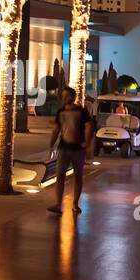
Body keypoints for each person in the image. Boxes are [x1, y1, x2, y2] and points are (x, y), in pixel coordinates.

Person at [47, 85, 96, 215]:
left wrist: (87, 143)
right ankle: (58, 204)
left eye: (66, 95)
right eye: (63, 96)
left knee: (78, 176)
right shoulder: (61, 111)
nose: (64, 98)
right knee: (60, 175)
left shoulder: (82, 111)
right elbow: (56, 129)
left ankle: (75, 204)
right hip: (63, 147)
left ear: (73, 97)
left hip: (78, 148)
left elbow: (88, 126)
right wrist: (51, 144)